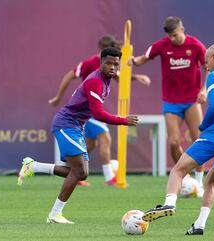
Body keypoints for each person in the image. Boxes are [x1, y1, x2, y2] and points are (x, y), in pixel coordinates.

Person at [140, 44, 214, 235]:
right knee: (211, 182)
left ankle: (169, 203)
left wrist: (203, 126)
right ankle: (199, 226)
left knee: (178, 170)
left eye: (206, 62)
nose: (206, 67)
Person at [18, 47, 138, 224]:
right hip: (66, 125)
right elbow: (98, 114)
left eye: (116, 64)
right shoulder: (96, 81)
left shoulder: (106, 81)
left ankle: (33, 167)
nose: (112, 67)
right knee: (79, 171)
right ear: (101, 63)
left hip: (75, 127)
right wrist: (123, 120)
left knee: (82, 173)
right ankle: (54, 215)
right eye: (109, 63)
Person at [49, 35, 150, 186]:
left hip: (87, 114)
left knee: (90, 145)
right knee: (105, 138)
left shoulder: (111, 66)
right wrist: (58, 97)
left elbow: (119, 77)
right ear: (102, 53)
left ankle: (74, 174)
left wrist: (136, 77)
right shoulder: (90, 64)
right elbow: (69, 75)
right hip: (86, 112)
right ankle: (109, 177)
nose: (113, 64)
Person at [129, 16, 207, 194]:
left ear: (182, 29)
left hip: (192, 100)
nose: (173, 39)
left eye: (175, 35)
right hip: (171, 101)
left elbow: (207, 67)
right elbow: (144, 58)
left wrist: (204, 90)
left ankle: (199, 181)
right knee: (173, 142)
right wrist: (133, 61)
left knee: (199, 141)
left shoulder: (195, 45)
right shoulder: (161, 45)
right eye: (170, 36)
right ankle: (185, 177)